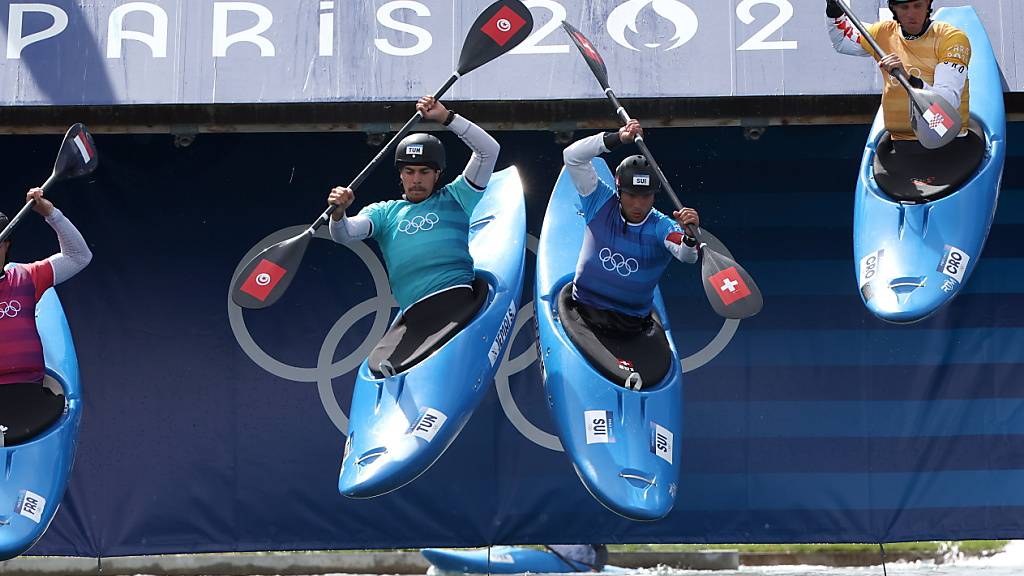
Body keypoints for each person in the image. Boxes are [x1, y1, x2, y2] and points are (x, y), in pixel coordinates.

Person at [327, 95, 501, 375]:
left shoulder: (457, 197)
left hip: (456, 304)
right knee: (381, 368)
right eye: (409, 171)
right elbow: (345, 234)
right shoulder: (384, 213)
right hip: (415, 318)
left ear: (437, 174)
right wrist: (339, 214)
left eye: (424, 172)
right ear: (401, 174)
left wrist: (447, 118)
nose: (416, 179)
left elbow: (489, 151)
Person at [562, 120, 700, 339]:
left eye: (645, 197)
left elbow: (686, 255)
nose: (638, 204)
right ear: (619, 190)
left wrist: (691, 237)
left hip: (632, 326)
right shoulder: (599, 201)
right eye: (631, 195)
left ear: (654, 195)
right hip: (583, 312)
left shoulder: (661, 226)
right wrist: (619, 137)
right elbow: (572, 156)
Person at [0, 187, 92, 446]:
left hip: (29, 396)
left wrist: (50, 213)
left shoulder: (26, 277)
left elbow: (79, 256)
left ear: (6, 245)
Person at [826, 0, 971, 149]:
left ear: (928, 5)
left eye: (917, 6)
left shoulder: (951, 39)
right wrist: (833, 10)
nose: (911, 14)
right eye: (904, 7)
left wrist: (909, 79)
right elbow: (843, 41)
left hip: (947, 139)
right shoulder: (882, 33)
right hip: (900, 141)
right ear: (893, 9)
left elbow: (949, 100)